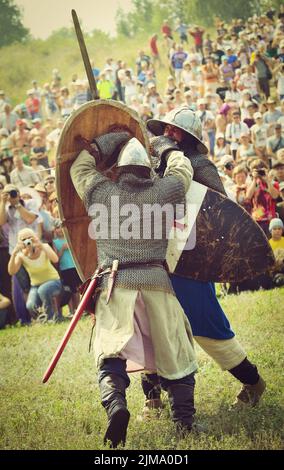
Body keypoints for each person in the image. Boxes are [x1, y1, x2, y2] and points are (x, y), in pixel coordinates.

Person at [70, 130, 197, 447]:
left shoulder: (103, 192)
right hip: (157, 283)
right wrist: (165, 148)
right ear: (148, 170)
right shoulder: (164, 191)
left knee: (111, 352)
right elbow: (183, 169)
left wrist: (106, 143)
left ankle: (116, 405)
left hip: (117, 285)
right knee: (176, 350)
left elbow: (78, 168)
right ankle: (184, 422)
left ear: (119, 170)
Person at [143, 106, 266, 413]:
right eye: (166, 130)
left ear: (189, 137)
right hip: (156, 259)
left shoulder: (199, 165)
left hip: (190, 263)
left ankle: (252, 382)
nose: (169, 135)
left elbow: (218, 213)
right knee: (151, 324)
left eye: (176, 131)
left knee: (206, 326)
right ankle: (152, 397)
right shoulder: (152, 167)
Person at [8, 228, 63, 323]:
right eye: (23, 239)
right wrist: (14, 253)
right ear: (19, 242)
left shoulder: (44, 247)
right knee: (30, 305)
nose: (27, 241)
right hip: (36, 285)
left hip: (54, 281)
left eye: (30, 238)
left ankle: (51, 318)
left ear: (35, 237)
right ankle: (42, 319)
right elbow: (11, 271)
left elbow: (55, 259)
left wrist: (40, 245)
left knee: (43, 290)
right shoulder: (21, 256)